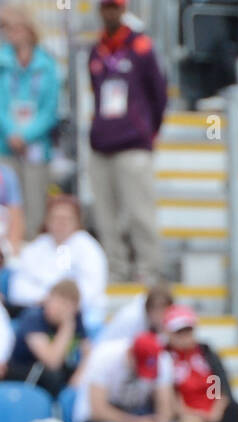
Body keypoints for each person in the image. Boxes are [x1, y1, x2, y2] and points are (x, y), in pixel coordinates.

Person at [87, 0, 166, 283]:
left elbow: (159, 93)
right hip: (102, 143)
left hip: (133, 143)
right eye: (106, 7)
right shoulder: (97, 49)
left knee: (139, 212)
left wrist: (147, 131)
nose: (110, 13)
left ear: (123, 10)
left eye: (115, 7)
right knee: (105, 215)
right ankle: (115, 268)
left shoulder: (141, 46)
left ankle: (149, 268)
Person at [0, 5, 59, 238]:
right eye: (8, 28)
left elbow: (50, 109)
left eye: (17, 27)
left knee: (35, 205)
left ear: (29, 30)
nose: (12, 33)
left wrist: (26, 135)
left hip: (35, 146)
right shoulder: (2, 63)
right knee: (7, 204)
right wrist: (12, 132)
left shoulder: (46, 64)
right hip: (6, 144)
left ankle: (32, 253)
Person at [7, 195, 107, 328]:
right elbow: (18, 290)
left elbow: (92, 289)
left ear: (77, 221)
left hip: (82, 315)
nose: (61, 223)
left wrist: (63, 305)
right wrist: (48, 301)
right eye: (56, 218)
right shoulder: (34, 248)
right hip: (39, 314)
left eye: (66, 218)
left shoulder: (89, 248)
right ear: (47, 220)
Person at [72, 331, 173, 422]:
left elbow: (165, 407)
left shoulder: (162, 359)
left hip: (135, 417)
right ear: (131, 354)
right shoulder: (105, 355)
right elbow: (97, 411)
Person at [163, 305, 238, 422]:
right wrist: (187, 413)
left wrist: (215, 410)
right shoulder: (166, 358)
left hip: (211, 411)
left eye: (188, 330)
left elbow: (220, 382)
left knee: (233, 410)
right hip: (184, 413)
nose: (185, 336)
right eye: (179, 332)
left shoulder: (206, 353)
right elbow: (168, 392)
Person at [5, 279, 89, 397]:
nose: (53, 307)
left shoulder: (75, 317)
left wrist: (77, 379)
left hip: (55, 370)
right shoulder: (34, 316)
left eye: (62, 304)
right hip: (25, 371)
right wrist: (67, 327)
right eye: (52, 300)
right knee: (52, 376)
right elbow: (52, 362)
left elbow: (88, 353)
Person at [94, 282, 174, 346]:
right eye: (157, 308)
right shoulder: (132, 319)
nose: (160, 314)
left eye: (163, 308)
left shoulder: (165, 322)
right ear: (149, 308)